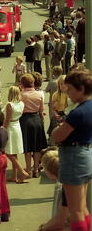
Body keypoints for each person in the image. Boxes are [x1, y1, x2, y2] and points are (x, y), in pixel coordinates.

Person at [52, 70, 92, 231]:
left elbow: (58, 136)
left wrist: (58, 128)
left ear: (80, 89)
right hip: (85, 155)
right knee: (82, 207)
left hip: (74, 158)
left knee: (75, 211)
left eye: (69, 89)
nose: (67, 92)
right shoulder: (89, 107)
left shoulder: (77, 113)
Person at [19, 73, 47, 178]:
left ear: (23, 84)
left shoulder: (21, 95)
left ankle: (28, 169)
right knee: (37, 147)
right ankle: (36, 169)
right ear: (33, 83)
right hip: (37, 119)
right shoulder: (39, 94)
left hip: (25, 120)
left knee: (27, 147)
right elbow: (41, 110)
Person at [38, 148, 69, 231]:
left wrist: (42, 228)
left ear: (49, 171)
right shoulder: (66, 183)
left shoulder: (61, 188)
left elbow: (59, 219)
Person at [3, 86, 28, 183]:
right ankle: (14, 176)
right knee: (14, 152)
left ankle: (22, 171)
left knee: (8, 151)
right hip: (17, 126)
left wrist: (3, 130)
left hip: (11, 128)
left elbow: (7, 120)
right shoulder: (21, 103)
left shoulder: (10, 105)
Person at [47, 75, 67, 140]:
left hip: (67, 114)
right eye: (61, 84)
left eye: (65, 84)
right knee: (54, 125)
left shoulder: (70, 94)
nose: (63, 86)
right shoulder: (56, 94)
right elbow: (53, 108)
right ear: (58, 85)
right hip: (58, 114)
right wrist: (56, 114)